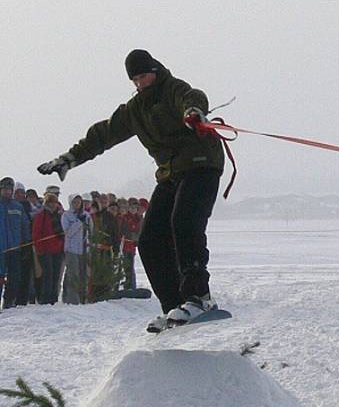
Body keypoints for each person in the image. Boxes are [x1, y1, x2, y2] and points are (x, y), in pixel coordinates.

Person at [37, 49, 225, 332]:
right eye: (136, 79)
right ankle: (175, 305)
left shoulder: (173, 89)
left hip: (201, 166)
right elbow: (104, 134)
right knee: (149, 241)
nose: (141, 83)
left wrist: (193, 112)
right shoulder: (134, 110)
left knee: (184, 222)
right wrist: (71, 158)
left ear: (155, 70)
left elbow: (192, 96)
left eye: (145, 75)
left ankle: (199, 297)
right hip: (170, 175)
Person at [31, 193, 64, 304]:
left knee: (55, 275)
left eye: (54, 202)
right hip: (45, 250)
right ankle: (45, 299)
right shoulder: (41, 215)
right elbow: (36, 233)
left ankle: (53, 299)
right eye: (50, 202)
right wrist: (39, 249)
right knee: (48, 275)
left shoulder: (59, 215)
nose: (53, 205)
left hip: (57, 250)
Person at [61, 193, 93, 304]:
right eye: (74, 202)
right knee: (73, 274)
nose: (76, 204)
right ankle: (72, 299)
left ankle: (82, 297)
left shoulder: (87, 215)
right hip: (71, 249)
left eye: (78, 202)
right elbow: (68, 232)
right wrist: (78, 222)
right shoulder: (66, 215)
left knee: (83, 274)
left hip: (84, 249)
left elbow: (91, 231)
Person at [0, 177, 24, 309]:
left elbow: (24, 226)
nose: (7, 192)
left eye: (9, 190)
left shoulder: (17, 207)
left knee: (14, 278)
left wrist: (26, 242)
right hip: (1, 249)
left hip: (15, 248)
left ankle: (9, 301)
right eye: (4, 189)